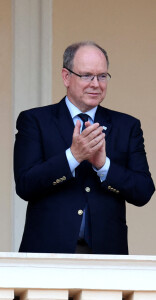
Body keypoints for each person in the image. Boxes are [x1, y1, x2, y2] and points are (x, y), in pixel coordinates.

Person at [14, 41, 155, 255]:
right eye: (87, 75)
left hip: (107, 256)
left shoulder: (127, 126)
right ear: (66, 77)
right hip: (48, 254)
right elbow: (25, 185)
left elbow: (144, 191)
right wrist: (72, 157)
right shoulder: (35, 121)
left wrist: (103, 166)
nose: (96, 84)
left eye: (102, 76)